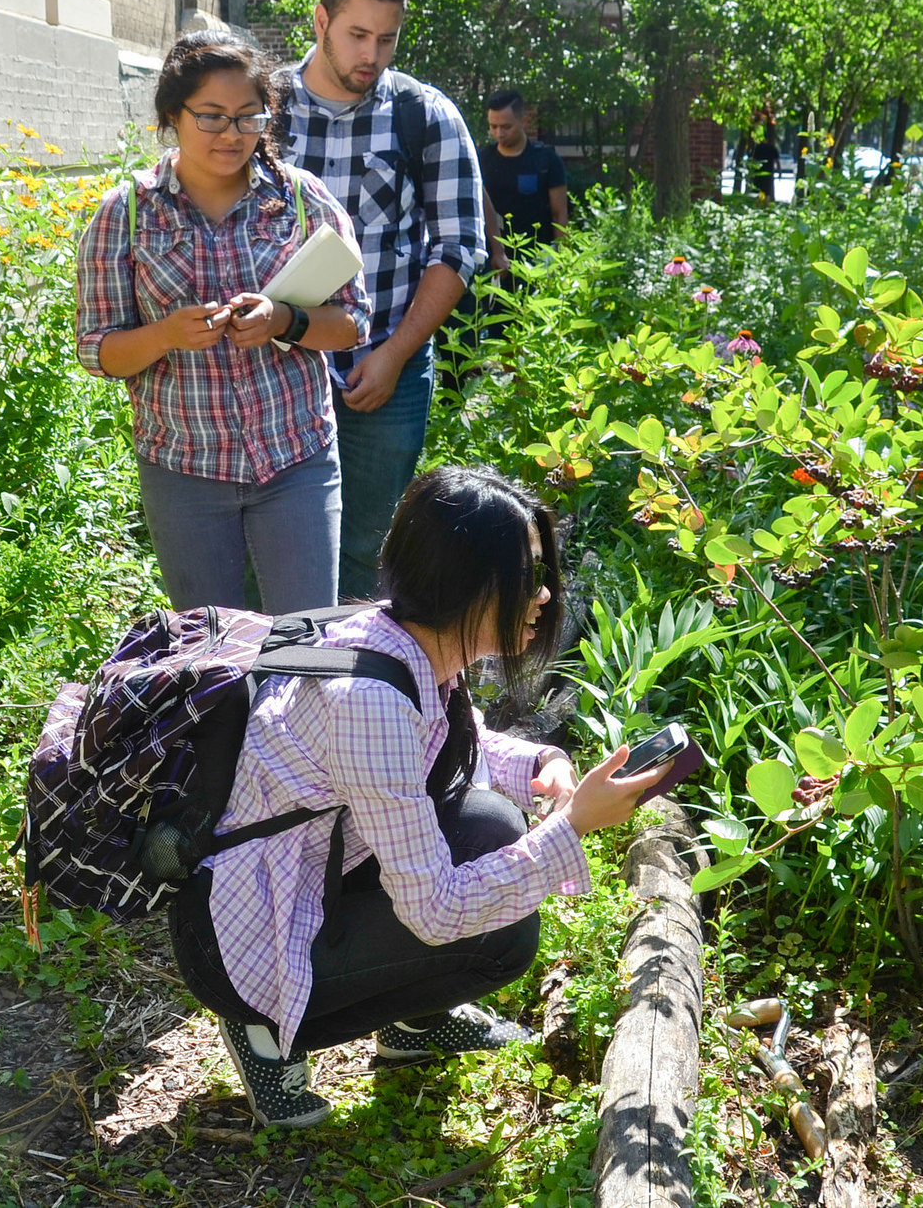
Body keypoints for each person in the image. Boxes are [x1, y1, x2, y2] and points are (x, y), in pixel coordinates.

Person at [168, 465, 668, 1127]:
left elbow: (460, 740)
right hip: (241, 937)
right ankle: (261, 1027)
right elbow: (434, 911)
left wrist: (546, 763)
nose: (544, 594)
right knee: (503, 933)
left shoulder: (397, 635)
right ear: (464, 583)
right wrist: (571, 826)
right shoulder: (370, 698)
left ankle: (413, 1024)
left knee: (492, 822)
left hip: (295, 876)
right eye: (527, 575)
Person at [76, 31, 370, 615]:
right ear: (171, 115)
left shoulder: (302, 199)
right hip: (184, 469)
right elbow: (97, 352)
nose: (231, 134)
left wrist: (283, 319)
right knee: (211, 657)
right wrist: (165, 334)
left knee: (304, 640)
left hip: (296, 458)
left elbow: (353, 323)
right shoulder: (127, 212)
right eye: (210, 117)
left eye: (247, 117)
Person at [277, 0, 487, 602]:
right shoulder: (264, 108)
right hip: (275, 374)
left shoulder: (423, 115)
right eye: (357, 35)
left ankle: (351, 692)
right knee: (273, 544)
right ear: (320, 21)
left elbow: (459, 246)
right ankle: (268, 691)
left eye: (387, 39)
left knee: (367, 547)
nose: (372, 54)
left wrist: (397, 354)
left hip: (384, 372)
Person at [479, 88, 569, 268]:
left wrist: (560, 261)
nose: (499, 133)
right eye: (493, 127)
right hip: (493, 261)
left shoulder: (546, 160)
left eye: (506, 127)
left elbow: (560, 214)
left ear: (522, 121)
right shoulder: (481, 160)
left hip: (537, 259)